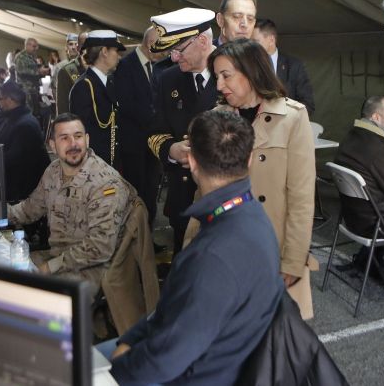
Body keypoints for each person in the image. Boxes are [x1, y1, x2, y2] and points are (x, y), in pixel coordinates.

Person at [106, 110, 283, 384]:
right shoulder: (252, 217)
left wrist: (121, 364)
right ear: (249, 160)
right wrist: (131, 339)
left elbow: (165, 361)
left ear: (190, 161)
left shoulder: (213, 256)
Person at [208, 39, 317, 319]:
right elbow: (205, 195)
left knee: (272, 339)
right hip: (224, 245)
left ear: (251, 71)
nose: (219, 86)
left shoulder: (292, 117)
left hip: (271, 248)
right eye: (216, 77)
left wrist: (293, 261)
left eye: (226, 75)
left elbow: (302, 195)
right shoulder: (215, 118)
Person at [6, 113, 134, 293]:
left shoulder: (106, 184)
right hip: (59, 257)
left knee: (31, 298)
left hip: (93, 269)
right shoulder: (53, 171)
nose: (73, 144)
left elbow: (100, 248)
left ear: (87, 140)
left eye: (78, 136)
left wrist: (50, 268)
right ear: (53, 145)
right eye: (64, 138)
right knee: (5, 274)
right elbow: (30, 209)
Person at [147, 8, 219, 254]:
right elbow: (155, 131)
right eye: (171, 52)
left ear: (202, 41)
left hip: (221, 199)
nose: (175, 58)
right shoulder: (168, 79)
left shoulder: (233, 73)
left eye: (179, 50)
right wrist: (171, 150)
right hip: (183, 197)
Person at [115, 26, 165, 227]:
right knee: (136, 192)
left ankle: (148, 238)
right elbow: (127, 104)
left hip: (153, 143)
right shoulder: (125, 66)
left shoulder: (160, 66)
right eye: (162, 46)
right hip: (133, 144)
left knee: (151, 191)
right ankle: (133, 239)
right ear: (150, 43)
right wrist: (156, 119)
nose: (166, 51)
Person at [333, 95, 384, 238]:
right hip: (381, 224)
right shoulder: (378, 148)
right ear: (376, 118)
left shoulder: (352, 137)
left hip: (354, 220)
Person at [70, 30, 125, 166]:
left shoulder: (109, 83)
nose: (119, 56)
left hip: (111, 164)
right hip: (94, 168)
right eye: (116, 51)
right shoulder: (84, 87)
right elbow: (80, 135)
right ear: (104, 51)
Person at [0, 80, 50, 205]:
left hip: (20, 191)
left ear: (10, 100)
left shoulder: (24, 125)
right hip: (15, 180)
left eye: (0, 99)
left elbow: (11, 162)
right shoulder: (14, 118)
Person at [252, 18, 315, 112]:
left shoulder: (294, 66)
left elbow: (308, 104)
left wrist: (284, 117)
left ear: (271, 40)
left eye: (255, 42)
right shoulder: (247, 65)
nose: (250, 46)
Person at [15, 37, 50, 112]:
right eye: (34, 46)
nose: (36, 48)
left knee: (35, 112)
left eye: (36, 46)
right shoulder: (20, 57)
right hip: (26, 90)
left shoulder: (30, 56)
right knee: (28, 112)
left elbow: (33, 68)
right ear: (27, 45)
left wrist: (43, 71)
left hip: (33, 89)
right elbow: (22, 71)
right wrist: (39, 71)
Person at [56, 33, 86, 115]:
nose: (73, 47)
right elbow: (57, 93)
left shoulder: (91, 64)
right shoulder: (61, 67)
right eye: (70, 44)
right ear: (66, 47)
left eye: (76, 44)